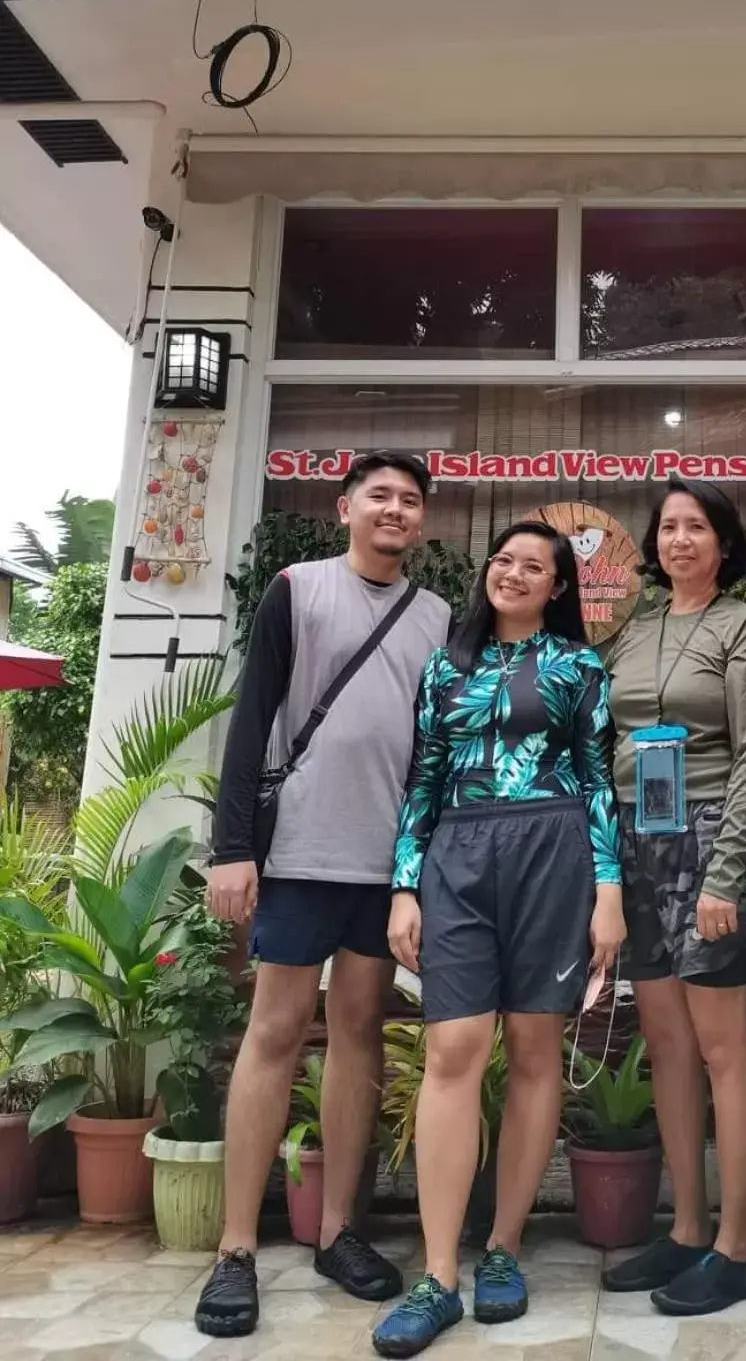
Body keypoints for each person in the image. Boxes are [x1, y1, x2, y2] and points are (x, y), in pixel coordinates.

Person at [197, 451, 452, 1341]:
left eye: (410, 501)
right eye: (379, 495)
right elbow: (252, 715)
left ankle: (339, 1229)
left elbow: (435, 751)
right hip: (302, 852)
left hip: (387, 866)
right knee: (272, 1033)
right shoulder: (296, 590)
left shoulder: (437, 618)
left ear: (422, 521)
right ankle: (234, 1249)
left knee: (359, 1033)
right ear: (345, 506)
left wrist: (424, 872)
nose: (395, 510)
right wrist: (233, 849)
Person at [373, 521, 625, 1359]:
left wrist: (609, 892)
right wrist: (404, 884)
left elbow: (597, 780)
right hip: (458, 853)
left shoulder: (579, 667)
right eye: (504, 560)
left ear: (559, 588)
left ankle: (504, 1249)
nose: (513, 573)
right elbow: (423, 776)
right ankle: (438, 1274)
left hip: (553, 852)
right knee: (452, 1048)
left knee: (533, 1050)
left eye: (534, 567)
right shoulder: (446, 664)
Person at [600, 475, 746, 1316]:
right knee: (668, 1045)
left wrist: (727, 874)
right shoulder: (628, 637)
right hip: (637, 842)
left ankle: (736, 1247)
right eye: (667, 527)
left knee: (720, 1047)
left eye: (695, 526)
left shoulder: (743, 626)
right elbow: (606, 745)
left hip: (708, 840)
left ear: (724, 542)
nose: (679, 540)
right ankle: (687, 1234)